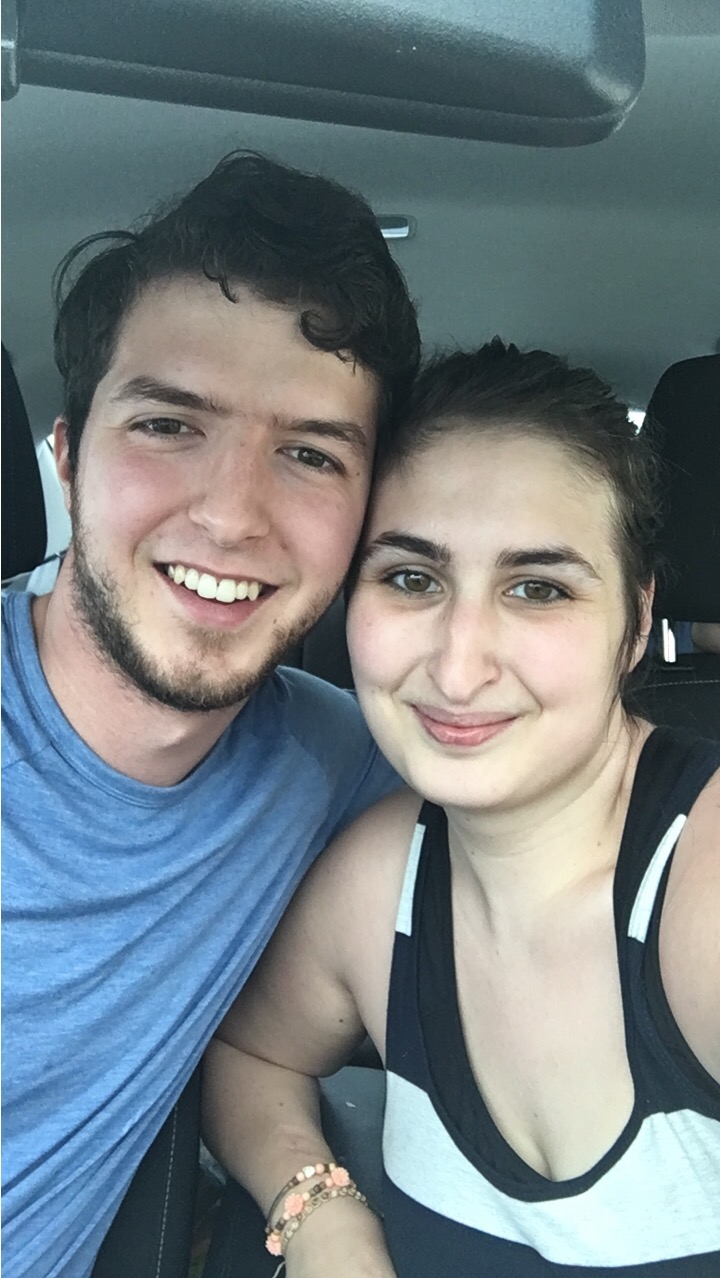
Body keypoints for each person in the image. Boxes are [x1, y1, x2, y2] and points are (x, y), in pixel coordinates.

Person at [203, 340, 720, 1277]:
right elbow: (249, 1055)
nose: (456, 665)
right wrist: (317, 1211)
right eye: (412, 578)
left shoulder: (704, 894)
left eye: (538, 588)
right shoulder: (372, 886)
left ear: (637, 622)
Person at [1, 151, 420, 1278]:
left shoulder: (340, 761)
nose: (233, 516)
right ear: (66, 456)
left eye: (309, 454)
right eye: (168, 425)